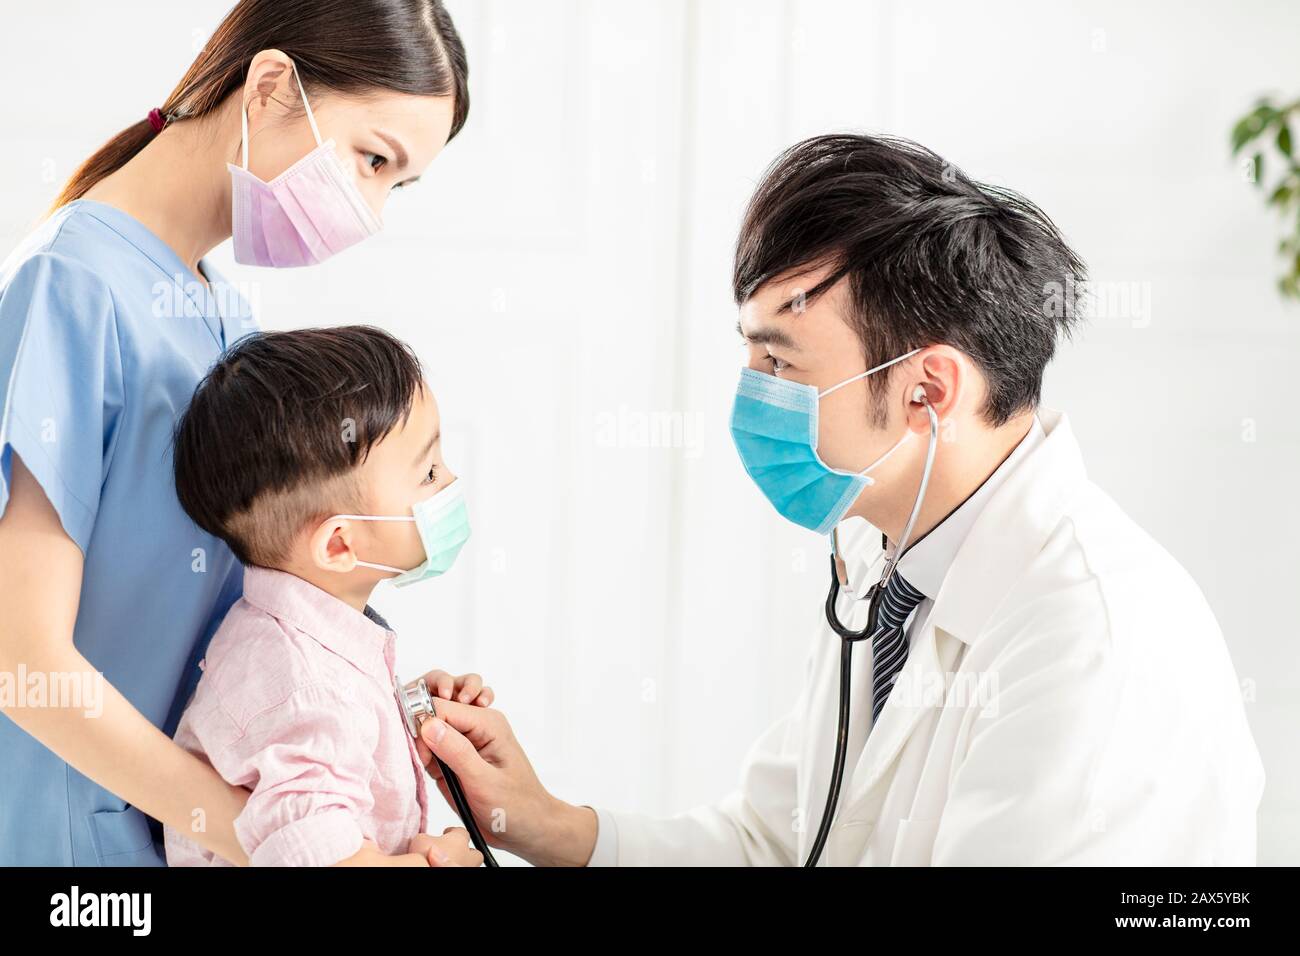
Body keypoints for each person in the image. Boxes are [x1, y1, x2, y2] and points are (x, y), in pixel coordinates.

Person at [414, 134, 1266, 866]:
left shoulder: (1089, 641)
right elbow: (781, 844)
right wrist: (542, 825)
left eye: (781, 364)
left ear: (928, 390)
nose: (751, 394)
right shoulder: (885, 556)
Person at [0, 0, 469, 865]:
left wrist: (384, 716)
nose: (371, 211)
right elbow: (23, 663)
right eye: (373, 160)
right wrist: (271, 839)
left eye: (395, 184)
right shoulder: (74, 286)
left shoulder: (221, 311)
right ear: (270, 87)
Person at [164, 326, 485, 867]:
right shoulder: (303, 689)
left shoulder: (296, 646)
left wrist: (401, 717)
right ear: (339, 543)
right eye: (428, 472)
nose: (450, 479)